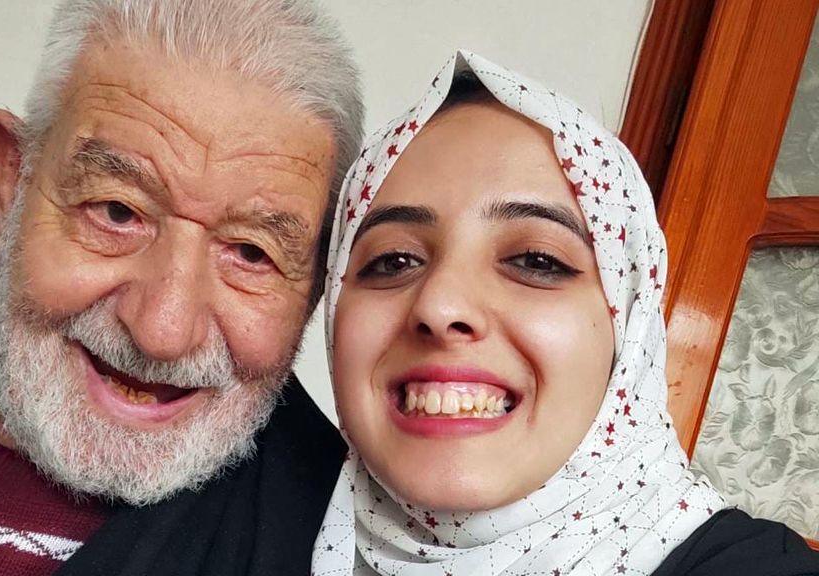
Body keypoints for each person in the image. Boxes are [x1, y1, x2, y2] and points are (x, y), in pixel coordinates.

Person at [0, 1, 363, 574]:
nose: (162, 332)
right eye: (117, 212)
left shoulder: (340, 548)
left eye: (250, 253)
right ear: (12, 183)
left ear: (317, 283)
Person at [312, 51, 819, 575]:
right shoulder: (258, 514)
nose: (440, 306)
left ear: (628, 323)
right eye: (393, 260)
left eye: (536, 260)